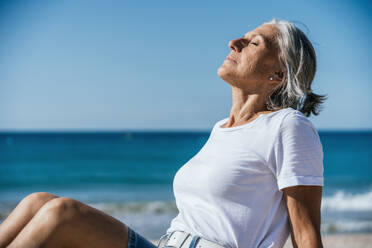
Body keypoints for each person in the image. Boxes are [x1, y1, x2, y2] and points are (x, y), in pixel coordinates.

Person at [0, 18, 327, 248]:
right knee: (37, 202)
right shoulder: (221, 130)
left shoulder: (288, 126)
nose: (234, 43)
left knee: (62, 214)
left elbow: (306, 233)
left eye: (254, 42)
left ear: (278, 74)